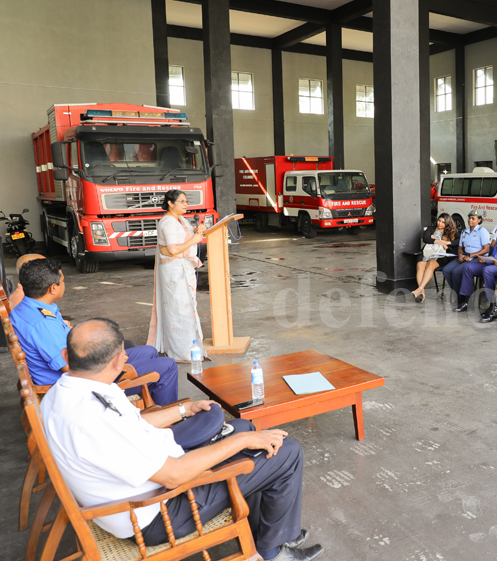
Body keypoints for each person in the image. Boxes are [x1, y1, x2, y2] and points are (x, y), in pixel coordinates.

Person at [41, 319, 323, 561]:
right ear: (118, 360)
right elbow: (174, 476)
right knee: (285, 451)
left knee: (242, 426)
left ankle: (271, 530)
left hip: (144, 484)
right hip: (157, 512)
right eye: (125, 356)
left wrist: (182, 410)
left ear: (67, 355)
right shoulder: (94, 420)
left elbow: (134, 424)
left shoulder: (64, 392)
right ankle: (273, 551)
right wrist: (241, 442)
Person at [11, 258, 179, 405]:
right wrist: (112, 362)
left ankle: (139, 408)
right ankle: (166, 423)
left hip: (79, 366)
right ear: (53, 288)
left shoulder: (27, 308)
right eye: (63, 281)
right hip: (78, 387)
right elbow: (72, 369)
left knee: (149, 351)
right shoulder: (42, 324)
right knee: (167, 366)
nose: (65, 284)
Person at [148, 189, 207, 362]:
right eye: (182, 201)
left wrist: (196, 231)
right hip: (174, 272)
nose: (186, 204)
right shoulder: (168, 222)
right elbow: (172, 249)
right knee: (179, 309)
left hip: (182, 268)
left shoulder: (180, 220)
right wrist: (194, 240)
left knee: (187, 308)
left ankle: (190, 347)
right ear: (170, 203)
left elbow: (179, 242)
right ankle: (182, 352)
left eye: (186, 201)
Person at [447, 210, 491, 312]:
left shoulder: (482, 231)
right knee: (447, 270)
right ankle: (458, 294)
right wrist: (460, 255)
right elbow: (461, 247)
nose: (470, 220)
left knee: (456, 272)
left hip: (477, 258)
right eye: (469, 218)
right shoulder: (464, 232)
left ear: (479, 220)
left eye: (473, 218)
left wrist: (471, 256)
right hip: (465, 256)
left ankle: (463, 299)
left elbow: (486, 249)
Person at [411, 213, 457, 303]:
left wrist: (446, 243)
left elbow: (459, 241)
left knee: (430, 264)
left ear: (447, 223)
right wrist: (438, 241)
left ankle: (419, 289)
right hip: (426, 253)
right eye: (439, 220)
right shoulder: (431, 228)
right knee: (420, 266)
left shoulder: (450, 232)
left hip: (440, 256)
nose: (440, 223)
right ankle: (422, 292)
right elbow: (425, 238)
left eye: (443, 222)